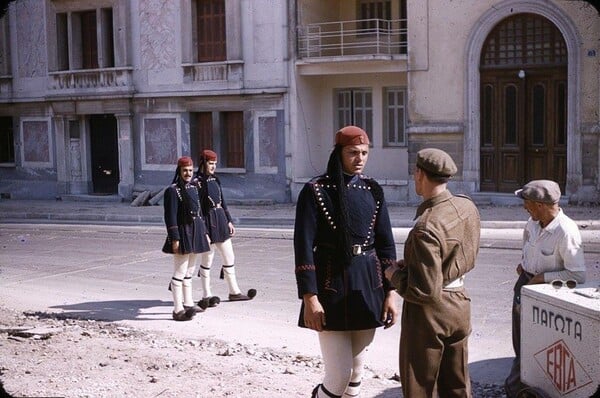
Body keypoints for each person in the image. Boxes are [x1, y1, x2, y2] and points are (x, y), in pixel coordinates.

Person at [294, 126, 398, 398]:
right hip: (331, 285)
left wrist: (391, 293)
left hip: (369, 283)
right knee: (339, 375)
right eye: (353, 152)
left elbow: (386, 244)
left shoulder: (373, 189)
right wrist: (310, 297)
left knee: (357, 371)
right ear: (338, 153)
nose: (360, 158)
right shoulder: (315, 190)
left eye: (364, 153)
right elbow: (303, 246)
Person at [385, 148, 480, 398]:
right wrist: (416, 262)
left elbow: (424, 291)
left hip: (430, 314)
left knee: (419, 385)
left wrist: (394, 275)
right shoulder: (466, 205)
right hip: (460, 302)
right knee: (457, 384)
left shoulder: (426, 226)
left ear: (419, 174)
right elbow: (460, 253)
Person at [504, 179, 586, 397]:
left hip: (548, 296)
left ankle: (516, 388)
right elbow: (528, 247)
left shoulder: (566, 231)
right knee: (520, 342)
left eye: (527, 202)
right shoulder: (532, 223)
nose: (524, 207)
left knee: (537, 347)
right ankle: (521, 382)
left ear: (540, 204)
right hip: (525, 286)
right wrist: (526, 265)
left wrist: (543, 277)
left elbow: (577, 275)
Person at [196, 149, 256, 307]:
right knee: (207, 260)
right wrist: (203, 231)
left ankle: (234, 291)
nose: (213, 167)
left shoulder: (215, 180)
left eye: (215, 164)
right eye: (210, 163)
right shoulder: (197, 183)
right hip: (207, 221)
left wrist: (229, 220)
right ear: (203, 163)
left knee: (229, 257)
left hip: (220, 219)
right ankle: (206, 295)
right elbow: (197, 210)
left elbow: (223, 201)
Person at [162, 156, 211, 321]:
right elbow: (170, 217)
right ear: (179, 171)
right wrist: (174, 238)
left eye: (190, 170)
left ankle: (188, 304)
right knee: (180, 272)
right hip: (183, 233)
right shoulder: (173, 190)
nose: (188, 173)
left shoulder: (194, 188)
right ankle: (177, 310)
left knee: (190, 270)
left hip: (196, 232)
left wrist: (204, 232)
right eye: (185, 171)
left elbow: (199, 213)